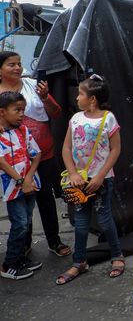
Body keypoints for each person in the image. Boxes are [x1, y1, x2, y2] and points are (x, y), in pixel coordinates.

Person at [0, 52, 71, 258]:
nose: (17, 68)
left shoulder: (33, 85)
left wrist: (45, 97)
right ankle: (24, 243)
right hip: (14, 160)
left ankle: (54, 240)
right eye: (11, 64)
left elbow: (56, 113)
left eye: (19, 64)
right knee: (22, 202)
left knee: (46, 198)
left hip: (44, 153)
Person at [57, 75, 124, 284]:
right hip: (79, 181)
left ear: (93, 99)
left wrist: (101, 175)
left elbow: (115, 149)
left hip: (102, 180)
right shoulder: (76, 119)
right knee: (81, 221)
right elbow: (66, 148)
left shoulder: (108, 119)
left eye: (81, 94)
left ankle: (117, 255)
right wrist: (73, 173)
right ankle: (79, 261)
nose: (77, 98)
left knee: (104, 219)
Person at [0, 92, 42, 280]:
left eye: (23, 110)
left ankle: (20, 257)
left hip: (30, 184)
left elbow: (37, 154)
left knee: (26, 221)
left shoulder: (23, 130)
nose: (21, 114)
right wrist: (20, 180)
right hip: (12, 188)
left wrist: (29, 178)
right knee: (20, 224)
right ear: (2, 112)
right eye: (16, 110)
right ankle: (9, 264)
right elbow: (2, 162)